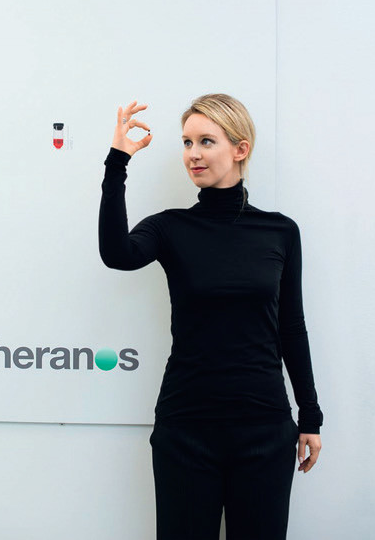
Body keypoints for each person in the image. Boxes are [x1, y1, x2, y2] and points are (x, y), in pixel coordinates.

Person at [98, 94, 323, 540]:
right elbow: (117, 255)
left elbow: (291, 328)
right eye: (187, 142)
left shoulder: (280, 231)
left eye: (206, 141)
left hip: (264, 428)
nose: (193, 154)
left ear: (240, 149)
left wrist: (310, 416)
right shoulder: (169, 227)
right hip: (187, 427)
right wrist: (117, 161)